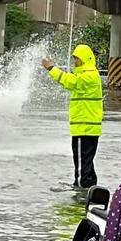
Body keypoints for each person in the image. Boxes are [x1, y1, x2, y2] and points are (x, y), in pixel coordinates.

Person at [42, 44, 103, 188]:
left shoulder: (89, 76)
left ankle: (81, 189)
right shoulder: (85, 74)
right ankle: (89, 186)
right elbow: (72, 80)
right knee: (85, 160)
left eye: (77, 59)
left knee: (82, 161)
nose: (74, 62)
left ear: (85, 59)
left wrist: (51, 68)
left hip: (85, 128)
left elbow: (71, 82)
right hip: (85, 127)